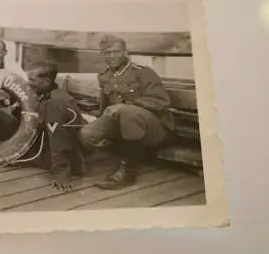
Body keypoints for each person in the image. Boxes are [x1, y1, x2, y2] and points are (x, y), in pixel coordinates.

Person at [79, 34, 174, 190]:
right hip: (125, 127)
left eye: (116, 52)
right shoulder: (105, 76)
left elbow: (161, 101)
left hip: (156, 130)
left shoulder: (143, 72)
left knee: (128, 112)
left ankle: (127, 173)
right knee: (87, 134)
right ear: (102, 55)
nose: (111, 56)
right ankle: (128, 152)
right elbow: (106, 106)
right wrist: (98, 119)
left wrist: (127, 105)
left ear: (125, 52)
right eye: (106, 53)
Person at [23, 60, 87, 192]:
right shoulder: (47, 94)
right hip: (60, 144)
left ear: (46, 81)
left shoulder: (55, 103)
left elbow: (58, 138)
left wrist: (60, 173)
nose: (29, 83)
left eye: (32, 80)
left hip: (69, 155)